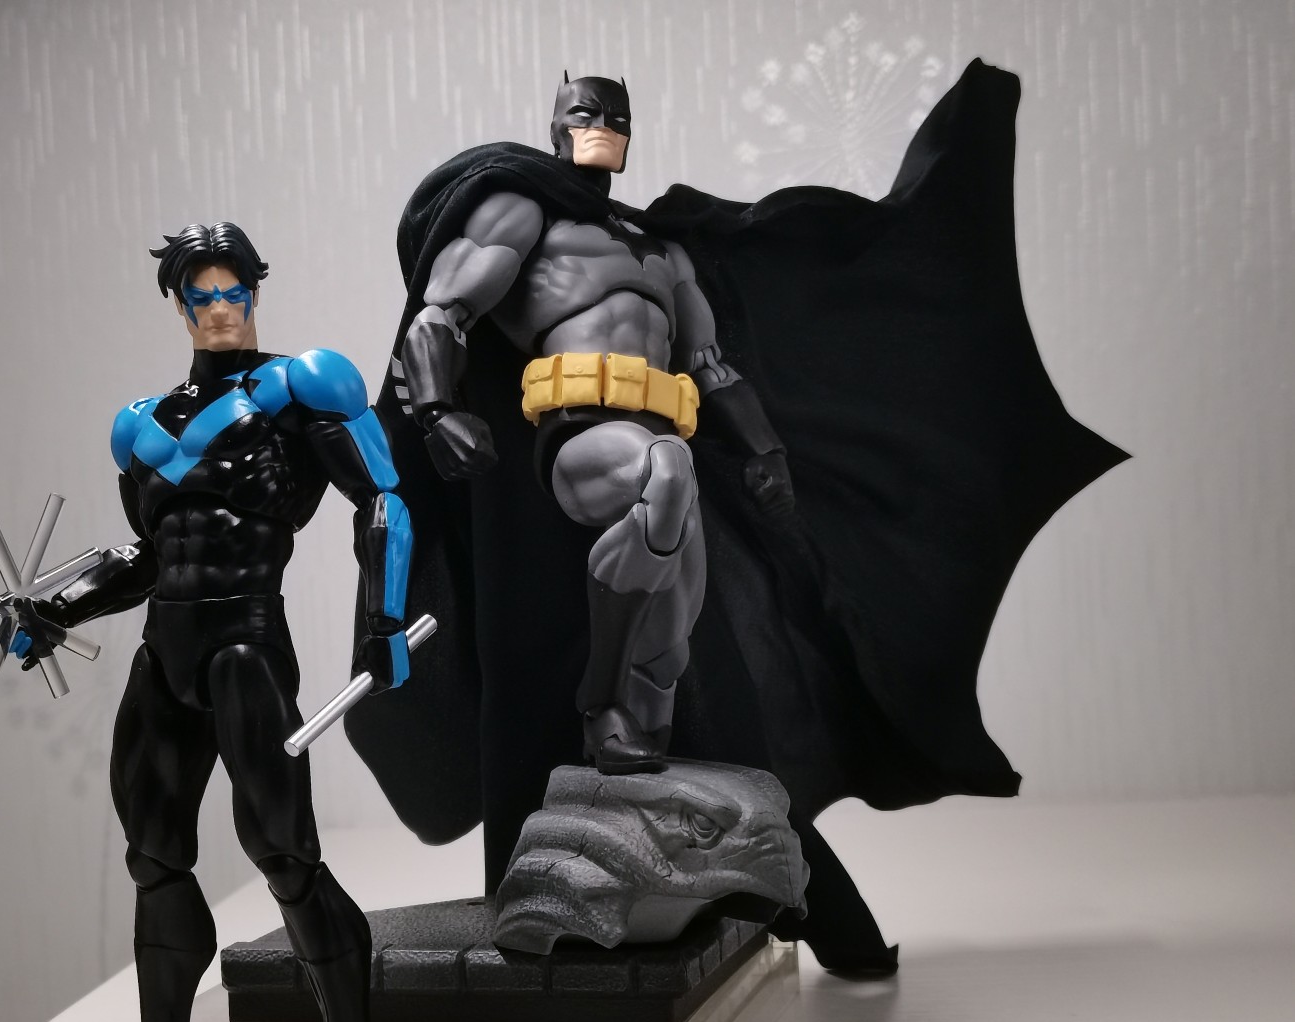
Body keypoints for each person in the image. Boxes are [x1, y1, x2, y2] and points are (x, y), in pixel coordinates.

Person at [347, 66, 1127, 974]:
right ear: (556, 126)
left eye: (614, 115)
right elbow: (442, 313)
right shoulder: (521, 215)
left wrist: (765, 451)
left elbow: (712, 368)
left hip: (662, 443)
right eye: (582, 112)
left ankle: (644, 751)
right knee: (664, 475)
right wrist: (438, 410)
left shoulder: (660, 253)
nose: (599, 126)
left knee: (691, 640)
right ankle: (604, 705)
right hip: (576, 440)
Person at [14, 222, 408, 1022]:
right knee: (154, 859)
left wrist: (385, 622)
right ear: (179, 304)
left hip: (245, 645)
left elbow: (384, 501)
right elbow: (150, 556)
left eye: (235, 291)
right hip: (166, 654)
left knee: (286, 858)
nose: (221, 308)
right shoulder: (138, 423)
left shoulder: (303, 384)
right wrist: (59, 608)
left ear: (255, 293)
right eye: (203, 295)